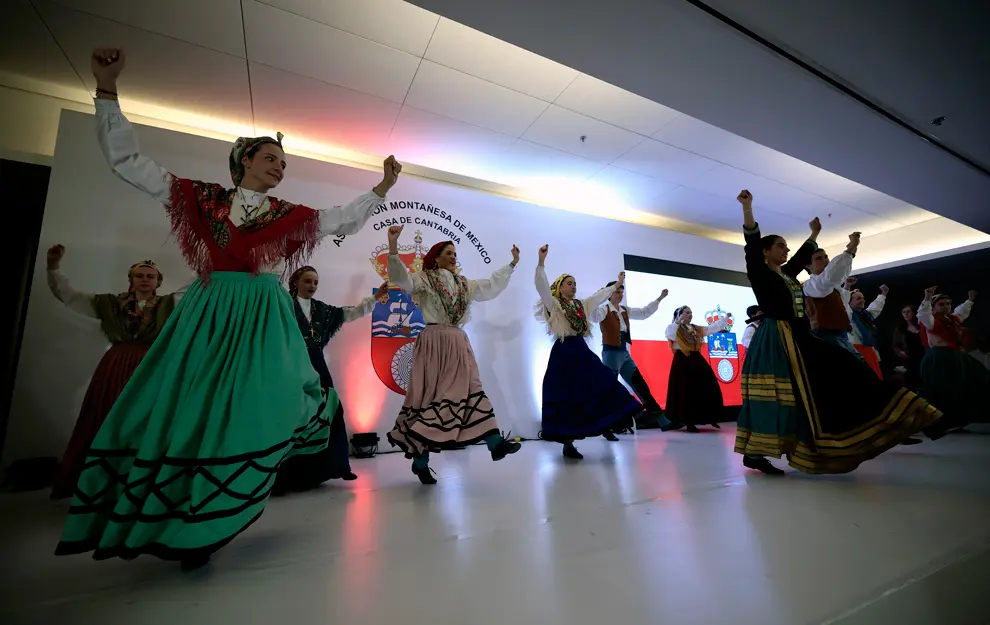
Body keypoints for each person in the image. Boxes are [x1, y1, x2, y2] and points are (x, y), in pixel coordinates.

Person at [55, 47, 402, 569]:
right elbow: (131, 164)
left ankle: (243, 484)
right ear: (244, 161)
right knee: (191, 404)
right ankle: (186, 515)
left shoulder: (289, 216)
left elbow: (340, 220)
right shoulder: (203, 199)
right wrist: (107, 92)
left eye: (284, 164)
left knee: (280, 394)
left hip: (262, 310)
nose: (280, 169)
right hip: (213, 305)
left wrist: (381, 188)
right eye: (271, 160)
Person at [733, 189, 942, 476]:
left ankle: (872, 420)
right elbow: (751, 243)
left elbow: (800, 258)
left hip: (798, 335)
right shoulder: (760, 272)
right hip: (775, 338)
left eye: (785, 246)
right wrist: (748, 208)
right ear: (766, 252)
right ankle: (756, 452)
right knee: (779, 394)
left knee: (835, 372)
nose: (785, 250)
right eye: (780, 246)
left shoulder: (786, 275)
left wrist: (815, 233)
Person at [385, 225, 521, 484]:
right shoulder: (423, 278)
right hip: (434, 341)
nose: (453, 256)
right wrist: (393, 247)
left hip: (458, 342)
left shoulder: (463, 283)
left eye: (455, 253)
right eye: (448, 252)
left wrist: (512, 264)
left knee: (471, 389)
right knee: (430, 398)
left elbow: (490, 286)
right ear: (436, 257)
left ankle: (495, 444)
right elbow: (401, 279)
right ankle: (420, 462)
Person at [45, 245, 180, 499]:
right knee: (107, 412)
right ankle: (102, 479)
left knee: (147, 417)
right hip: (116, 363)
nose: (145, 280)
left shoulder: (168, 304)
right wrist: (53, 268)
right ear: (130, 279)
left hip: (151, 364)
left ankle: (140, 479)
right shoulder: (107, 303)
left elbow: (196, 290)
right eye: (140, 275)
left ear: (158, 282)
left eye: (150, 276)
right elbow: (69, 296)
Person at [272, 267, 389, 494]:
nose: (312, 286)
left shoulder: (321, 310)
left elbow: (350, 313)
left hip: (316, 367)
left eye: (316, 282)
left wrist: (374, 298)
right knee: (291, 417)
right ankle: (284, 474)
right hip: (290, 368)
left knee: (331, 411)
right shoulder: (283, 306)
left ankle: (338, 465)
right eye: (308, 281)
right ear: (296, 282)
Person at [534, 245, 645, 460]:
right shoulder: (554, 304)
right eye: (569, 283)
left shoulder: (581, 305)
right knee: (565, 395)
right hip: (563, 353)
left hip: (580, 350)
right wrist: (541, 263)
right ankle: (568, 444)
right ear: (560, 287)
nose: (574, 286)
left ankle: (627, 410)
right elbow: (541, 287)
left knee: (602, 379)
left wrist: (617, 285)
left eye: (575, 283)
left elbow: (599, 296)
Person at [596, 280, 680, 432]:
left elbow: (643, 313)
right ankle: (609, 424)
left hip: (624, 354)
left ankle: (662, 420)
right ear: (609, 293)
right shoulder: (603, 310)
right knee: (609, 389)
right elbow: (593, 316)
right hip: (610, 354)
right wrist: (600, 296)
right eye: (617, 291)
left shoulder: (624, 310)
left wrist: (659, 298)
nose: (620, 295)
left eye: (622, 292)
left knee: (641, 386)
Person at [917, 287, 987, 431]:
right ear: (934, 307)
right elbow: (923, 313)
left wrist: (970, 299)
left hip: (953, 357)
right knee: (940, 390)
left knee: (968, 384)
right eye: (941, 304)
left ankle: (956, 419)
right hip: (938, 359)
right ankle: (933, 422)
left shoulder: (952, 319)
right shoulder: (931, 320)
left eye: (948, 303)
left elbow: (962, 311)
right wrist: (928, 297)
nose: (946, 306)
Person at [663, 306, 728, 432]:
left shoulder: (694, 328)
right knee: (685, 389)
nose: (690, 315)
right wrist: (677, 321)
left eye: (691, 313)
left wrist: (725, 319)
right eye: (687, 313)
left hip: (696, 358)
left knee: (707, 384)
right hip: (683, 359)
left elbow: (710, 329)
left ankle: (709, 416)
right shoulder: (674, 327)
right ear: (679, 314)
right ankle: (688, 422)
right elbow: (669, 334)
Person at [802, 234, 860, 355]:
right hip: (825, 337)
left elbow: (837, 276)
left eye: (826, 256)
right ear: (808, 266)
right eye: (819, 258)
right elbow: (829, 277)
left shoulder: (832, 287)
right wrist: (850, 250)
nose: (825, 260)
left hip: (841, 335)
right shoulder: (809, 285)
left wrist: (852, 251)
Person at [847, 285, 888, 378]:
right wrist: (847, 289)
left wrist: (883, 294)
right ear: (849, 303)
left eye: (863, 298)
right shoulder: (847, 316)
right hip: (857, 351)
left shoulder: (865, 315)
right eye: (858, 299)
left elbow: (875, 307)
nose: (862, 300)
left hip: (870, 351)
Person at [892, 304, 925, 390]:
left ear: (913, 313)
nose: (906, 314)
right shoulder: (900, 329)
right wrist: (900, 353)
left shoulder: (922, 326)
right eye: (904, 312)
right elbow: (895, 345)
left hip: (924, 358)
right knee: (913, 383)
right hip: (909, 360)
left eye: (908, 312)